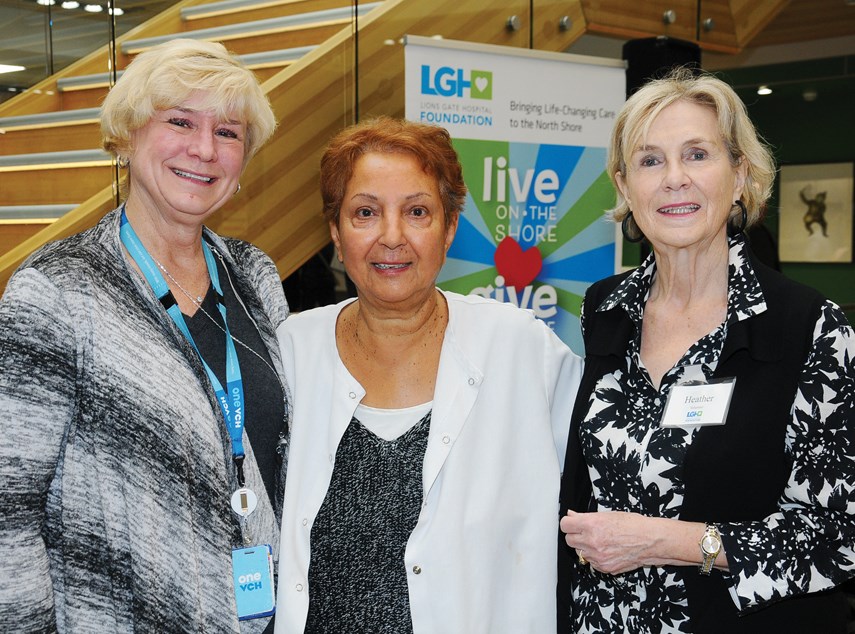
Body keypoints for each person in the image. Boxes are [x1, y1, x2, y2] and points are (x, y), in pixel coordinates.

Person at [0, 39, 289, 633]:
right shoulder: (57, 290)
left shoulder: (254, 275)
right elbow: (8, 512)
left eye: (229, 132)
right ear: (127, 137)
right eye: (180, 121)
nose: (204, 149)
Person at [558, 68, 855, 633]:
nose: (674, 179)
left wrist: (674, 541)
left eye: (697, 155)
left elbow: (841, 535)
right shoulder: (604, 310)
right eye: (650, 161)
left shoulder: (808, 327)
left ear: (740, 174)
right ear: (624, 187)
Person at [274, 116, 583, 633]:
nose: (391, 238)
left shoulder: (522, 349)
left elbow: (602, 490)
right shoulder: (290, 352)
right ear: (334, 230)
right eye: (365, 212)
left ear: (450, 228)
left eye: (417, 211)